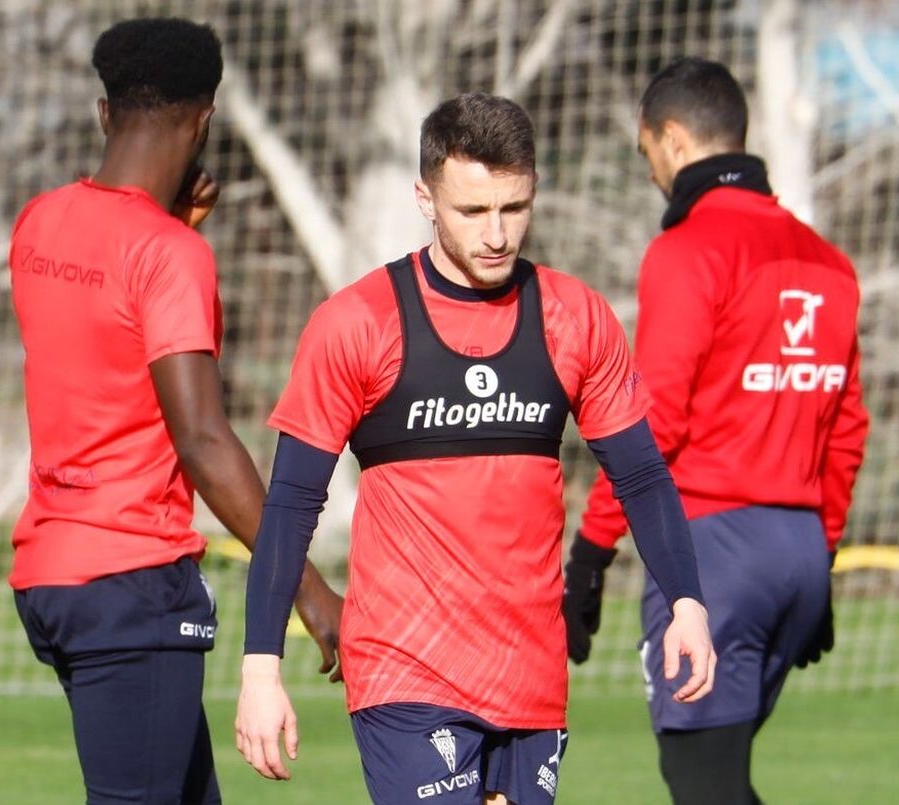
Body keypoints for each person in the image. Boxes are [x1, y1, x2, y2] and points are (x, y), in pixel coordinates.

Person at [232, 92, 717, 804]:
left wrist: (687, 602)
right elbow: (292, 502)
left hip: (531, 675)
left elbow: (641, 475)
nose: (496, 234)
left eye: (513, 208)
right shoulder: (358, 322)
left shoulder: (575, 317)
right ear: (425, 198)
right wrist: (260, 668)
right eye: (472, 211)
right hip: (405, 671)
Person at [6, 17, 343, 805]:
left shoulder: (38, 223)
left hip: (52, 573)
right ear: (204, 121)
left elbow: (101, 341)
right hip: (131, 580)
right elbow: (202, 439)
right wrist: (306, 589)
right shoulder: (169, 256)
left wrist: (172, 227)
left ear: (104, 113)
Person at [561, 58, 869, 805]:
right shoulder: (829, 262)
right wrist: (820, 555)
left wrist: (593, 550)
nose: (650, 173)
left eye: (646, 153)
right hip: (798, 553)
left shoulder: (689, 250)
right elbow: (847, 429)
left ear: (672, 139)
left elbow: (652, 419)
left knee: (703, 782)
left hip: (715, 557)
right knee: (719, 780)